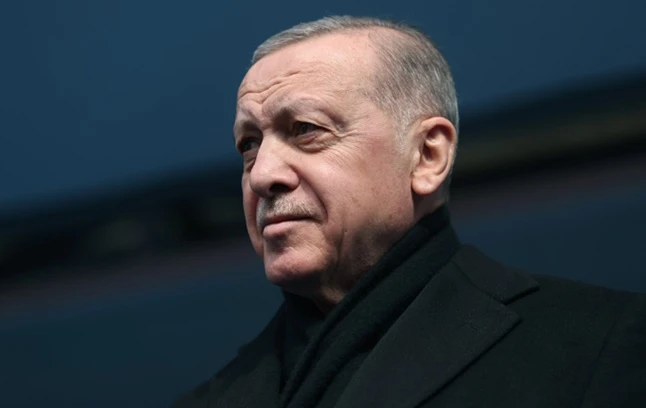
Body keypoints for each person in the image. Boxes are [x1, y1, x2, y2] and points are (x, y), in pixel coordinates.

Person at [173, 16, 646, 408]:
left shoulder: (602, 343)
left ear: (427, 156)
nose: (262, 175)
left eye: (305, 129)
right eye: (249, 145)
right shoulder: (209, 399)